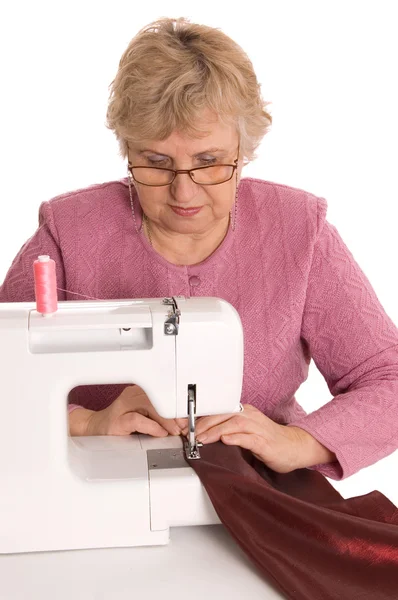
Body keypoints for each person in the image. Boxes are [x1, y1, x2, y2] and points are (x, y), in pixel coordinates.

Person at [1, 17, 397, 481]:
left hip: (260, 492)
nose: (183, 193)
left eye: (209, 162)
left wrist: (298, 441)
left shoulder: (298, 233)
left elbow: (387, 379)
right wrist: (87, 422)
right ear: (126, 148)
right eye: (155, 162)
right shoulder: (70, 233)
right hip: (93, 486)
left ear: (243, 149)